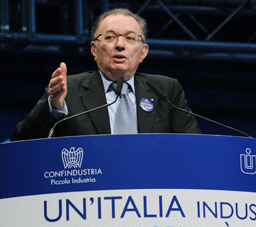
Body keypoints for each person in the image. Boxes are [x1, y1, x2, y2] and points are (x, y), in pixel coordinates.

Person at [10, 8, 200, 141]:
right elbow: (21, 141)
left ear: (143, 52)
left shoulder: (166, 90)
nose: (120, 44)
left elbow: (195, 147)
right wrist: (53, 107)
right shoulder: (69, 90)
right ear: (94, 49)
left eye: (130, 38)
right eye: (109, 37)